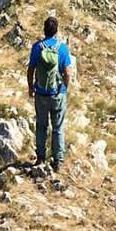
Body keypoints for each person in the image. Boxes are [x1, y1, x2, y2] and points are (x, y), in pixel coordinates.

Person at [27, 15, 72, 171]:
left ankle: (40, 157)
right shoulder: (62, 48)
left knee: (41, 126)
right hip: (57, 94)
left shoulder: (37, 47)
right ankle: (58, 160)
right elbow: (67, 72)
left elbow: (31, 69)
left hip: (40, 94)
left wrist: (31, 87)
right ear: (56, 31)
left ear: (44, 29)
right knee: (57, 128)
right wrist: (64, 89)